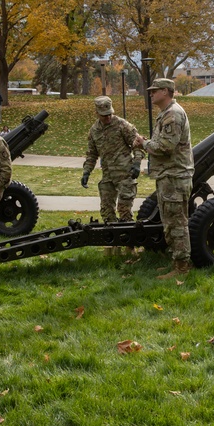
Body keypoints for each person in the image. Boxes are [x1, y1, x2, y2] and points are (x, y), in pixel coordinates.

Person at [133, 78, 194, 279]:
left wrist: (143, 144)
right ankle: (177, 263)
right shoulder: (166, 114)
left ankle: (182, 268)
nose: (150, 94)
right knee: (170, 223)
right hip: (168, 177)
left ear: (166, 91)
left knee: (177, 225)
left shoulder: (173, 115)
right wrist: (147, 143)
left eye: (155, 91)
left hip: (175, 177)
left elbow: (166, 147)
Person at [82, 97, 145, 245]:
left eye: (109, 114)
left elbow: (138, 144)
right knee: (106, 211)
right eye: (104, 115)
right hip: (108, 176)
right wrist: (86, 172)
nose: (108, 117)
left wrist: (136, 164)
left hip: (125, 175)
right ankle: (115, 243)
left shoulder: (122, 125)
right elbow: (91, 154)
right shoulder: (94, 130)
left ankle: (131, 246)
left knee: (124, 210)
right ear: (97, 113)